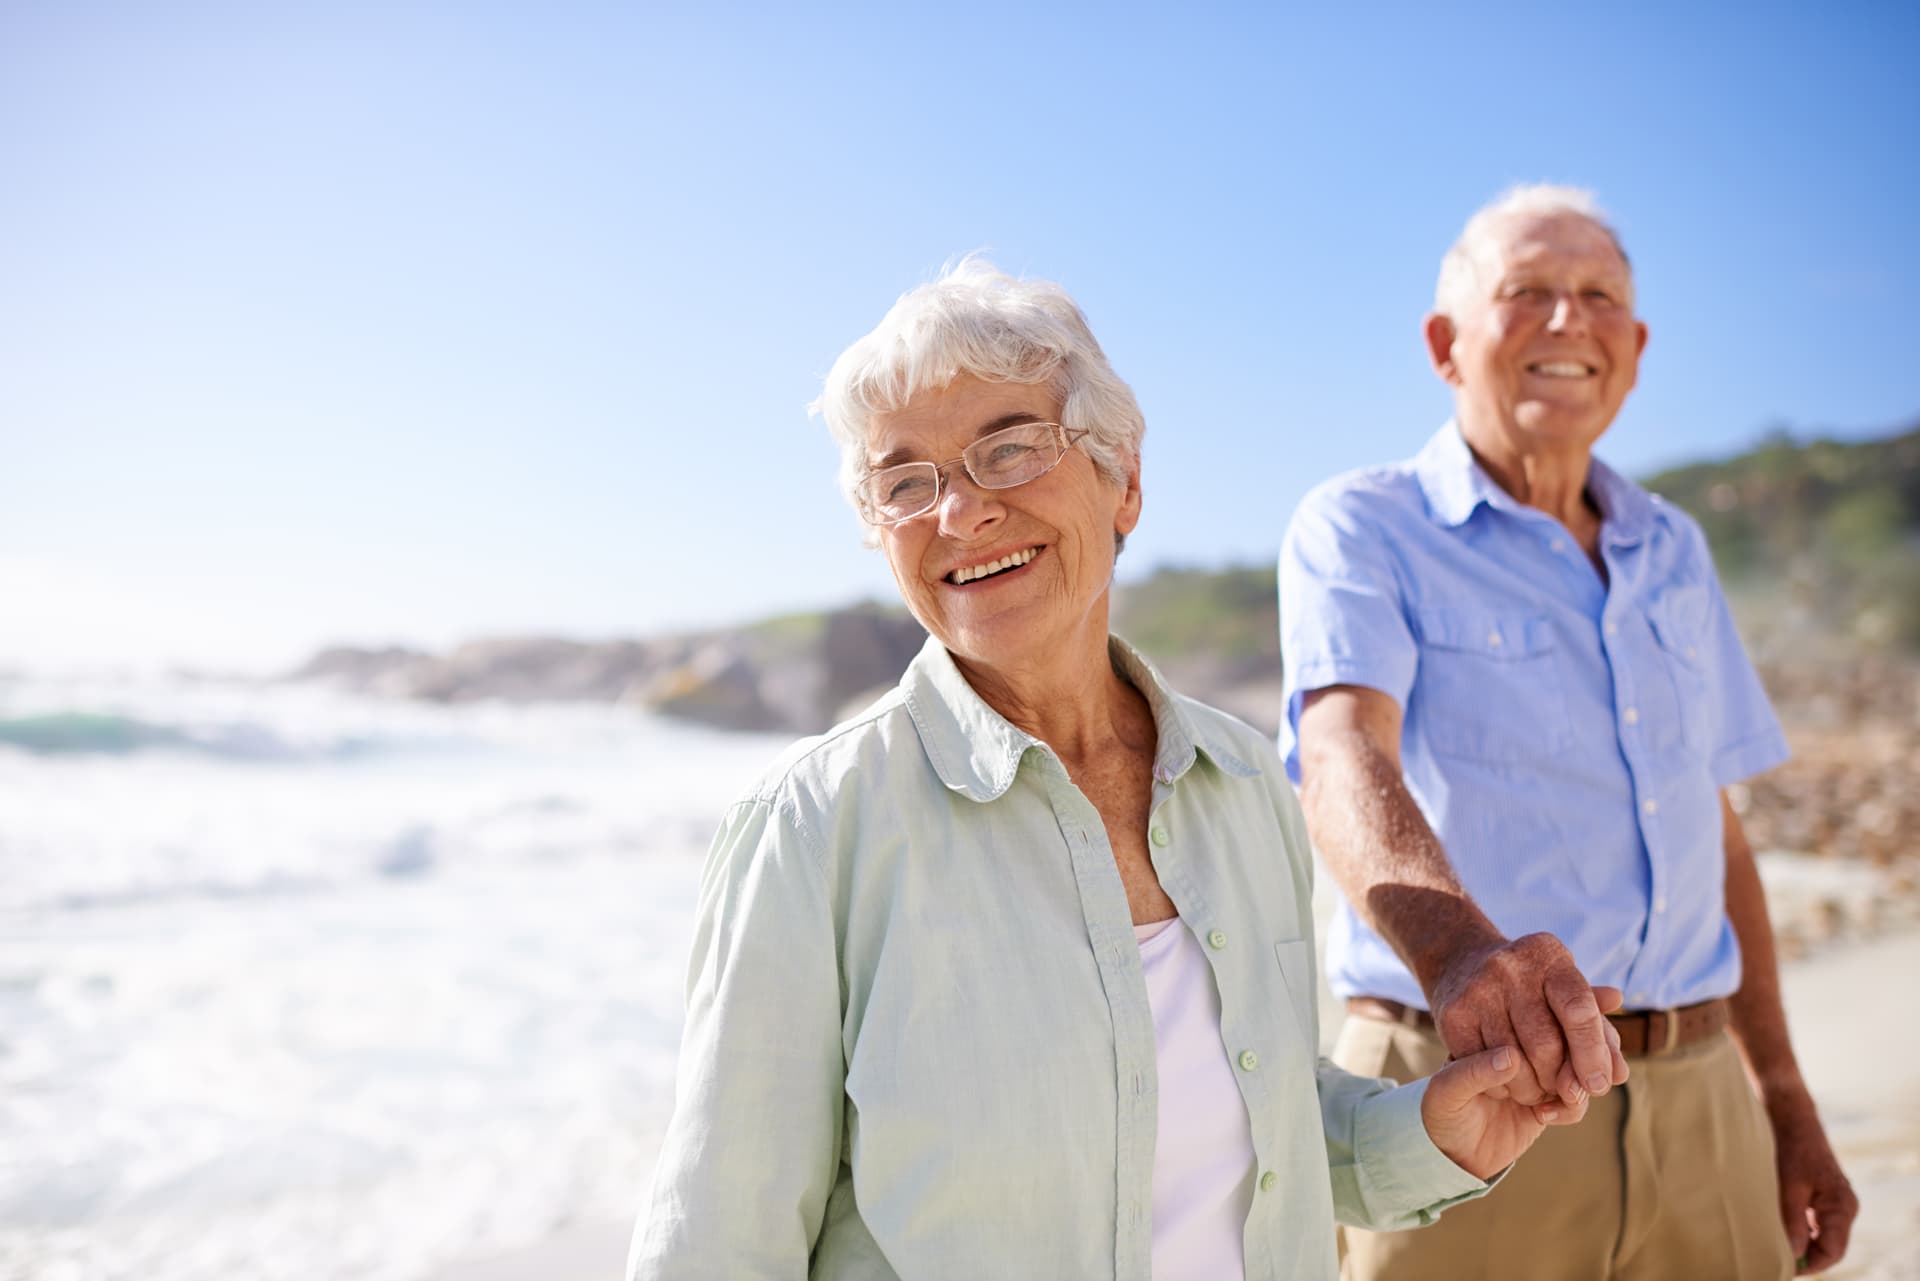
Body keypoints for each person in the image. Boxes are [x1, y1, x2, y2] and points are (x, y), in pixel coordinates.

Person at [628, 258, 1605, 1281]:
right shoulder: (814, 825)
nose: (959, 513)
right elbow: (717, 1240)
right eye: (906, 483)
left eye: (1007, 449)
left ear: (1123, 479)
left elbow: (1256, 1124)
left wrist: (1431, 1136)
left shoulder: (1240, 783)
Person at [1279, 185, 1858, 1278]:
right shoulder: (1362, 525)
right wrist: (1461, 958)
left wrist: (1783, 1098)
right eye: (1527, 293)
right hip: (1463, 1089)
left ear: (1634, 349)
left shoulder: (1674, 547)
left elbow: (1713, 830)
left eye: (1597, 297)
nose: (1566, 322)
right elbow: (1342, 751)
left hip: (1701, 1100)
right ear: (1446, 344)